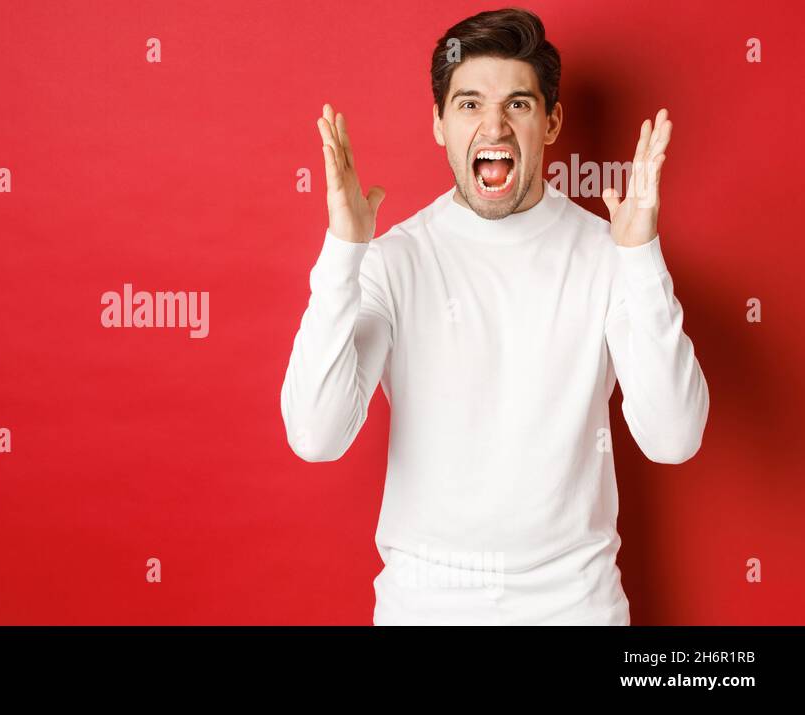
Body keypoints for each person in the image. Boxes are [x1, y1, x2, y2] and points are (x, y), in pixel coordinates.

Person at [279, 7, 710, 625]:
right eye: (470, 104)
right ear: (439, 124)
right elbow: (316, 437)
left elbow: (674, 438)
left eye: (518, 105)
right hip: (424, 610)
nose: (494, 127)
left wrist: (640, 256)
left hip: (576, 611)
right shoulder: (393, 260)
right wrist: (345, 251)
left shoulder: (607, 255)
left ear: (552, 120)